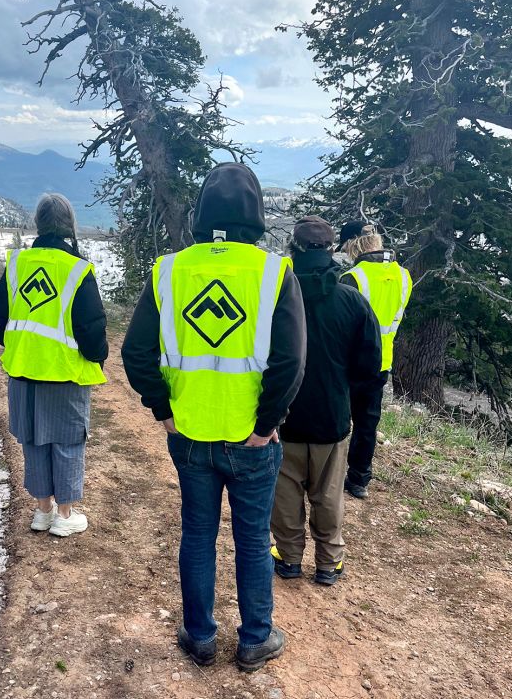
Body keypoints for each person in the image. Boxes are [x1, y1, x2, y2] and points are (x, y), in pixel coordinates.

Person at [121, 162, 307, 672]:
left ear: (202, 215)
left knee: (198, 533)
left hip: (190, 434)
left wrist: (164, 410)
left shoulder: (169, 270)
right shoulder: (274, 272)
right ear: (257, 216)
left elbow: (136, 353)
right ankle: (255, 640)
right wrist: (266, 425)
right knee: (251, 538)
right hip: (252, 440)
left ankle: (200, 636)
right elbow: (291, 361)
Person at [271, 216, 382, 585]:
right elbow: (369, 364)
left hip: (283, 413)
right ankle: (328, 563)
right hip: (332, 414)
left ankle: (288, 558)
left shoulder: (274, 297)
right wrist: (349, 397)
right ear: (332, 250)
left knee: (284, 491)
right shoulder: (352, 300)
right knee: (329, 493)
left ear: (294, 249)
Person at [0, 193, 108, 537]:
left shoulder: (16, 265)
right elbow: (91, 328)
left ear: (38, 225)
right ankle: (64, 514)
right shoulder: (76, 269)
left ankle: (41, 511)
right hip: (63, 373)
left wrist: (23, 347)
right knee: (68, 442)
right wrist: (98, 356)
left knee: (34, 441)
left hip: (23, 370)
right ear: (70, 225)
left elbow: (0, 320)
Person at [338, 220, 412, 500]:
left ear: (352, 245)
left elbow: (342, 325)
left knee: (339, 420)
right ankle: (359, 479)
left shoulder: (354, 278)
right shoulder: (404, 276)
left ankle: (330, 474)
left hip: (349, 363)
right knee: (367, 423)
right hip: (381, 362)